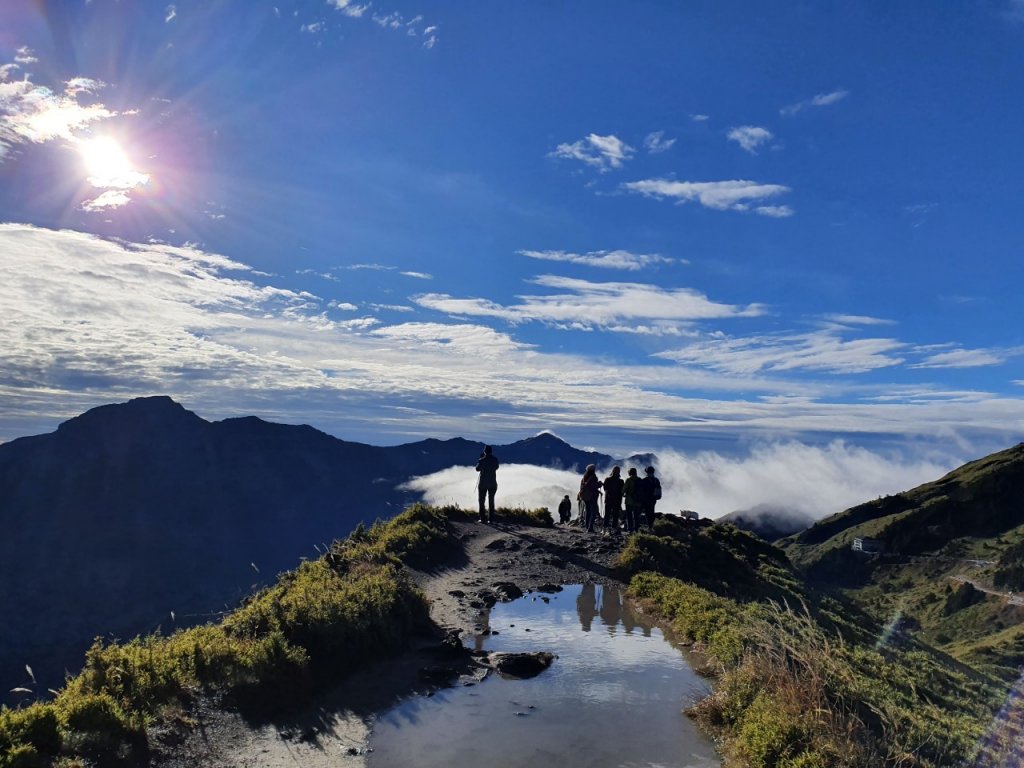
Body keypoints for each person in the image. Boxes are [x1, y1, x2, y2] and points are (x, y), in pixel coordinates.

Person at [475, 445, 499, 523]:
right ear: (491, 451)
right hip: (492, 483)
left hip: (483, 484)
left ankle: (482, 518)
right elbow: (496, 467)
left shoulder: (481, 460)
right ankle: (491, 519)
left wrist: (481, 459)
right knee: (491, 501)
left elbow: (477, 469)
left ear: (485, 451)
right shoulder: (495, 460)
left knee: (481, 501)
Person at [579, 464, 602, 533]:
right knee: (593, 512)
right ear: (593, 470)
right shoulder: (593, 477)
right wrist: (599, 484)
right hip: (592, 496)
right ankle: (590, 527)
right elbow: (594, 486)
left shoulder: (584, 477)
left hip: (585, 496)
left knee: (587, 511)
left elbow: (585, 487)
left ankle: (587, 526)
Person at [602, 466, 625, 535]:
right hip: (617, 500)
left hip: (609, 499)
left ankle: (605, 528)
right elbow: (622, 491)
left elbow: (605, 488)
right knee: (615, 515)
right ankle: (614, 528)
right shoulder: (621, 481)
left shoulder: (608, 479)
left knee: (607, 514)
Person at [639, 465, 661, 530]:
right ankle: (651, 526)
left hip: (645, 500)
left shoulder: (644, 480)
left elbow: (641, 490)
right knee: (651, 512)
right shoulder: (656, 480)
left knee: (643, 512)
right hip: (653, 499)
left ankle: (639, 526)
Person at [623, 467, 640, 533]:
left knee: (629, 515)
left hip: (629, 501)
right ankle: (637, 529)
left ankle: (630, 529)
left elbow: (623, 489)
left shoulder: (628, 480)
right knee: (636, 516)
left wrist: (623, 494)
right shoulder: (639, 480)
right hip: (638, 501)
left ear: (629, 473)